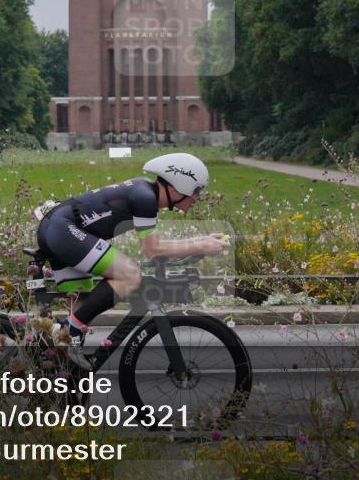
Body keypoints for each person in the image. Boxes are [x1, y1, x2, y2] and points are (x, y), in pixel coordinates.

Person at [35, 152, 230, 366]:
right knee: (130, 274)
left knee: (80, 306)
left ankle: (60, 374)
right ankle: (66, 331)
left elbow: (157, 245)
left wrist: (203, 240)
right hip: (63, 230)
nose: (198, 197)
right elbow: (153, 250)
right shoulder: (145, 198)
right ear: (179, 185)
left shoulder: (145, 191)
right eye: (196, 190)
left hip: (58, 228)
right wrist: (201, 245)